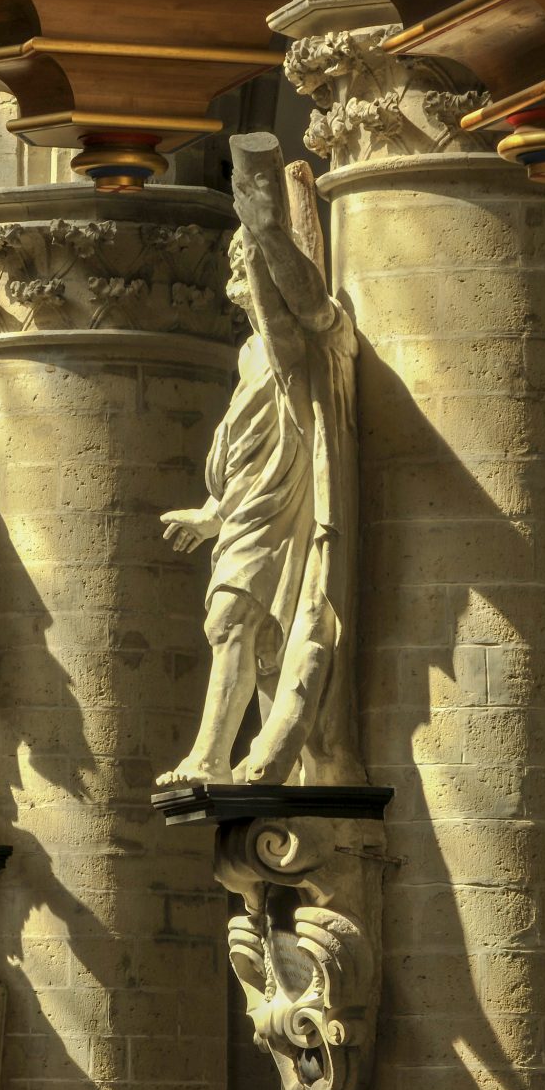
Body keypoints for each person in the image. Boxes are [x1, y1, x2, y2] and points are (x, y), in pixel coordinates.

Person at [158, 133, 363, 787]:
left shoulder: (312, 341)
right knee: (249, 634)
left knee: (232, 620)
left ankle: (209, 758)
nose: (242, 281)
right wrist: (211, 514)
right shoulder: (249, 356)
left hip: (288, 511)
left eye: (249, 267)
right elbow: (245, 456)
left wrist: (265, 232)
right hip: (251, 512)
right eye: (240, 266)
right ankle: (258, 763)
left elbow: (297, 319)